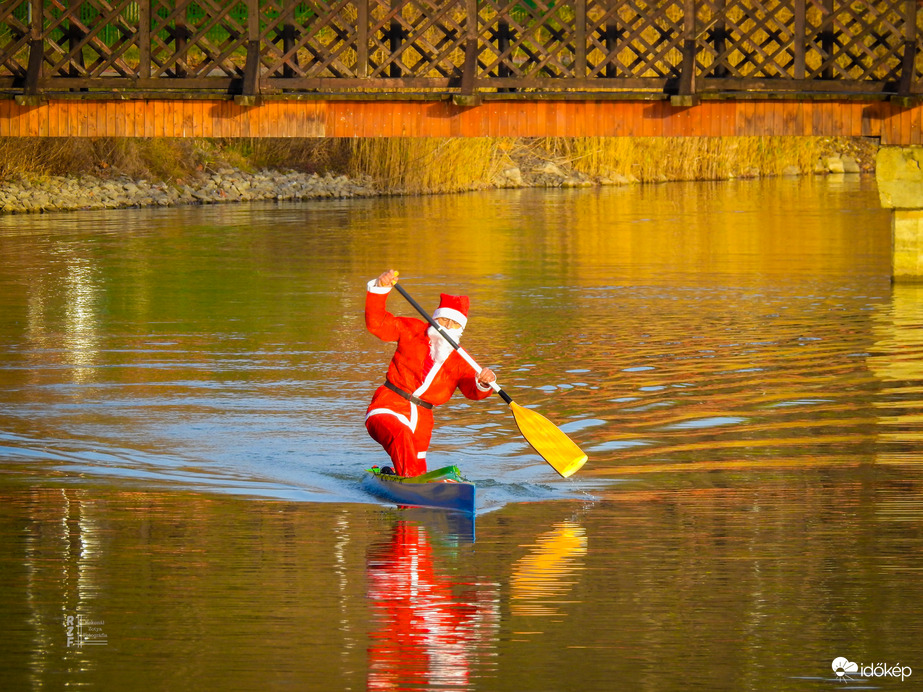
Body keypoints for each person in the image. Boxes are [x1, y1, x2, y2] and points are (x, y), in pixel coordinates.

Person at [365, 269, 496, 477]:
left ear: (461, 329)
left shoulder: (462, 359)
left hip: (423, 421)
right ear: (435, 319)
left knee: (416, 469)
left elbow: (473, 391)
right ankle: (411, 485)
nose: (447, 327)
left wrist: (484, 382)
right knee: (401, 434)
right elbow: (377, 324)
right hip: (387, 406)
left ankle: (400, 479)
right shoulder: (412, 329)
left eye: (454, 324)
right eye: (443, 320)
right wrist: (380, 289)